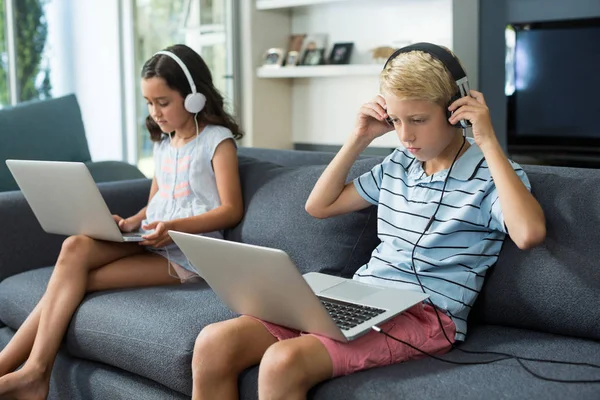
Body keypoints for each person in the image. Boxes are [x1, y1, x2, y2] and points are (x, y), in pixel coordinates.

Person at [189, 43, 546, 400]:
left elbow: (528, 233)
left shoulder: (492, 176)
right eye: (395, 120)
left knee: (283, 362)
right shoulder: (398, 165)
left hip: (427, 316)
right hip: (363, 296)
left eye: (418, 120)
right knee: (214, 343)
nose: (405, 136)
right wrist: (359, 137)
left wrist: (487, 141)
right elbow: (319, 205)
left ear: (457, 110)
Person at [0, 44, 244, 400]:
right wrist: (130, 222)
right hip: (153, 239)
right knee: (76, 245)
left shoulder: (216, 142)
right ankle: (27, 371)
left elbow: (230, 210)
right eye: (149, 103)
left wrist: (176, 229)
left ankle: (30, 372)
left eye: (163, 102)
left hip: (185, 256)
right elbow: (157, 203)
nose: (155, 112)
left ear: (193, 97)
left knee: (75, 282)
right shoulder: (166, 143)